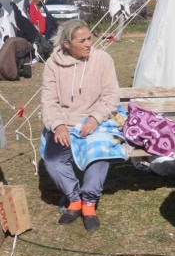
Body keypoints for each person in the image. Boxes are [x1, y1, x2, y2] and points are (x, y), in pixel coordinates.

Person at [41, 19, 119, 232]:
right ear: (67, 44)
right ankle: (74, 198)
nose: (88, 44)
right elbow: (49, 101)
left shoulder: (103, 59)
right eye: (82, 40)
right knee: (53, 160)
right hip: (65, 121)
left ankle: (89, 202)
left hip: (96, 120)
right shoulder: (52, 64)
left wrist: (95, 118)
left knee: (100, 154)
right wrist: (57, 125)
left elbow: (111, 96)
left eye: (89, 38)